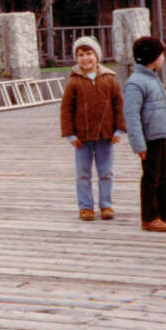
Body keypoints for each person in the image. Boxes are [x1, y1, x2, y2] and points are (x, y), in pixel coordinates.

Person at [123, 36, 166, 232]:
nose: (163, 58)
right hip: (148, 138)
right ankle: (149, 216)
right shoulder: (135, 83)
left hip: (159, 134)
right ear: (152, 57)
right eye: (161, 54)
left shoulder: (152, 78)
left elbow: (162, 105)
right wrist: (138, 145)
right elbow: (131, 115)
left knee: (164, 175)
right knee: (151, 177)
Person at [60, 36, 125, 221]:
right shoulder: (73, 82)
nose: (85, 58)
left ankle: (106, 205)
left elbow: (119, 106)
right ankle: (85, 207)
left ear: (96, 55)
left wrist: (119, 130)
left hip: (106, 136)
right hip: (82, 138)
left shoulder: (110, 79)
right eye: (80, 55)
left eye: (89, 53)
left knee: (106, 172)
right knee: (83, 173)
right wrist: (70, 134)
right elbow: (66, 109)